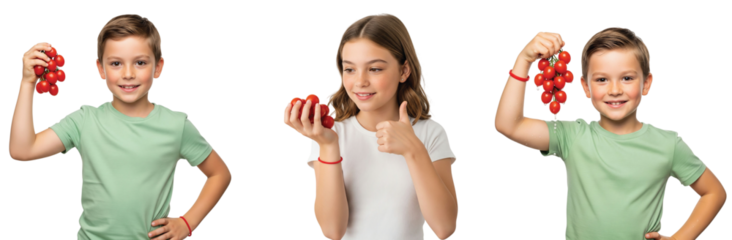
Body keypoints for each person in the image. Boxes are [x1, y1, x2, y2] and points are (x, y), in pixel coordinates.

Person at [10, 12, 232, 240]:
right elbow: (22, 150)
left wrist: (188, 221)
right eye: (116, 63)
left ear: (158, 67)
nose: (128, 74)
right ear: (100, 69)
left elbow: (220, 174)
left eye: (140, 62)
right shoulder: (84, 120)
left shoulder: (176, 124)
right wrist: (27, 82)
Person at [494, 26, 727, 239]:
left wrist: (679, 238)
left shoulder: (668, 142)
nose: (615, 90)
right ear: (586, 87)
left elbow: (714, 192)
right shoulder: (573, 135)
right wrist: (524, 59)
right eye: (602, 79)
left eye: (626, 78)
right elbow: (508, 125)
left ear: (646, 84)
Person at [282, 11, 458, 240]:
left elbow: (444, 228)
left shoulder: (431, 132)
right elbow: (332, 231)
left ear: (404, 70)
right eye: (350, 69)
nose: (360, 81)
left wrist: (413, 150)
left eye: (375, 68)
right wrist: (327, 145)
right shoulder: (331, 134)